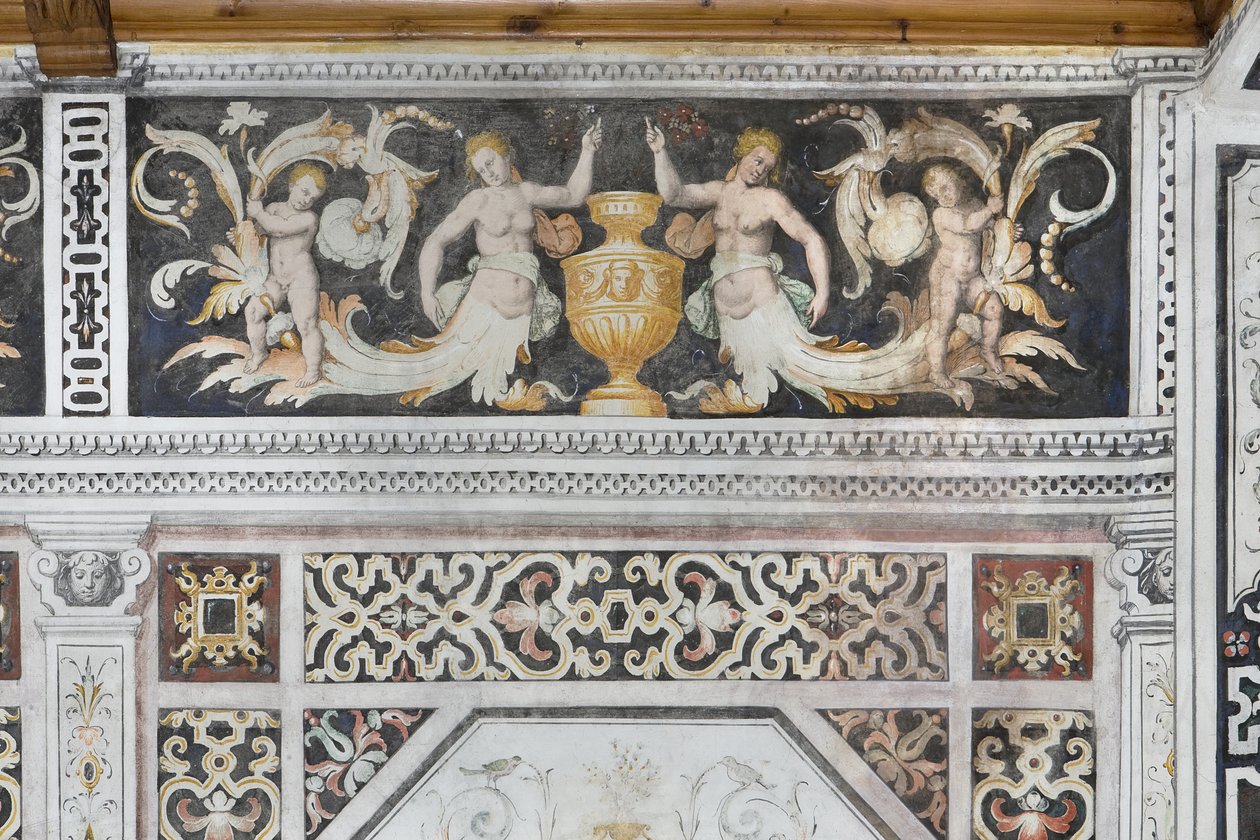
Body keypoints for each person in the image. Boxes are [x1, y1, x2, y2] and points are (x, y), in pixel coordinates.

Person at [410, 120, 602, 404]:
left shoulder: (527, 192)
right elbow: (436, 240)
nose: (489, 173)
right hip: (483, 305)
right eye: (482, 170)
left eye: (491, 163)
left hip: (522, 312)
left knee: (505, 390)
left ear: (507, 155)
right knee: (452, 379)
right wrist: (427, 293)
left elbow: (573, 195)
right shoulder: (477, 200)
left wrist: (587, 150)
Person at [647, 121, 830, 407]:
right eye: (757, 160)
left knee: (796, 375)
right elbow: (674, 194)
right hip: (727, 311)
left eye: (767, 168)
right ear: (743, 153)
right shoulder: (719, 192)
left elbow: (812, 239)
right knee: (750, 394)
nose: (760, 170)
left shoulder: (770, 199)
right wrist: (660, 152)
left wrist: (822, 294)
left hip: (763, 302)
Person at [920, 163, 1009, 390]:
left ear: (958, 180)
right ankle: (936, 371)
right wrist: (990, 209)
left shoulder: (975, 205)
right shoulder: (941, 214)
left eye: (945, 188)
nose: (942, 197)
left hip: (973, 278)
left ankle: (988, 350)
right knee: (943, 325)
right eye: (936, 195)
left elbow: (991, 228)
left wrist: (1007, 229)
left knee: (995, 310)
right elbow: (968, 225)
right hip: (947, 277)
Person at [244, 163, 327, 388]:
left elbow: (278, 229)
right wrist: (243, 233)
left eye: (312, 198)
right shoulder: (273, 208)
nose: (306, 200)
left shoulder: (309, 218)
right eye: (304, 191)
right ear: (292, 185)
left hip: (301, 279)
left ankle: (313, 370)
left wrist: (258, 212)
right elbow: (259, 231)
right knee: (253, 312)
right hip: (275, 279)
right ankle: (258, 354)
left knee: (306, 324)